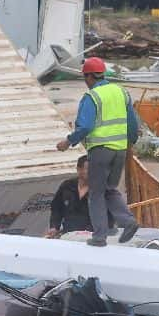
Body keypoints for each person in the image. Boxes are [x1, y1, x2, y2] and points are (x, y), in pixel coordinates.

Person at [56, 57, 140, 247]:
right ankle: (128, 222)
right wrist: (130, 142)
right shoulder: (121, 92)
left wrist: (68, 142)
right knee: (110, 189)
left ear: (89, 77)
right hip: (119, 150)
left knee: (96, 193)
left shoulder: (92, 97)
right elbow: (133, 124)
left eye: (85, 78)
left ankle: (99, 236)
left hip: (101, 151)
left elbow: (85, 126)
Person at [45, 155, 107, 238]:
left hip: (92, 236)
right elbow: (56, 208)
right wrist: (54, 227)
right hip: (68, 235)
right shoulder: (67, 186)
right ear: (79, 170)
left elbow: (109, 216)